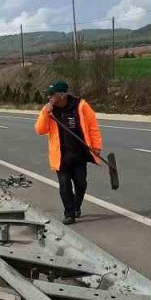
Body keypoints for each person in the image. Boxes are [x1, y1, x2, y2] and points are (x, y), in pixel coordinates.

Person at [34, 80, 103, 224]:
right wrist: (45, 113)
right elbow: (40, 130)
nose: (49, 97)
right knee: (65, 186)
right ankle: (69, 213)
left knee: (81, 184)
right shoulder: (49, 110)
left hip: (79, 155)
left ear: (62, 95)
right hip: (61, 156)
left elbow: (93, 127)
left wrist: (96, 147)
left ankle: (76, 207)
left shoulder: (81, 106)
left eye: (51, 94)